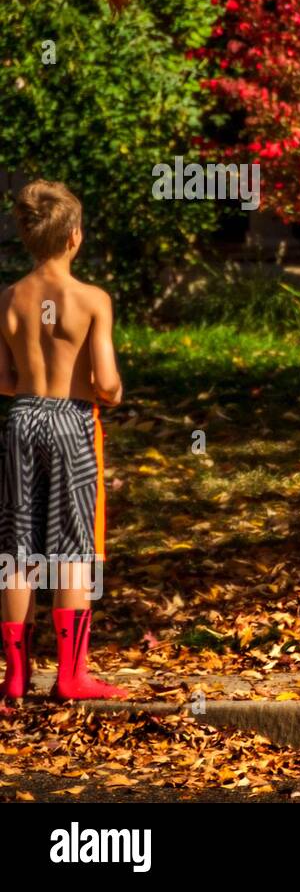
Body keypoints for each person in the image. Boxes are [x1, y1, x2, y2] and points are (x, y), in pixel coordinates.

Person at [0, 180, 126, 702]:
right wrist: (105, 393)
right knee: (73, 545)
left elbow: (4, 379)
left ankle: (15, 675)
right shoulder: (91, 299)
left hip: (22, 419)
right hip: (74, 423)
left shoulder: (8, 299)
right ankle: (72, 676)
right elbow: (108, 383)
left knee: (18, 548)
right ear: (73, 236)